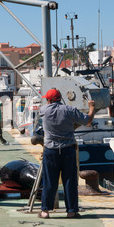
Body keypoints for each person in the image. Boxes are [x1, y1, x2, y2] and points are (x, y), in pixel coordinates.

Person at [38, 88, 95, 219]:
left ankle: (45, 211)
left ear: (48, 100)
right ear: (60, 98)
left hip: (50, 150)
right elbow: (88, 121)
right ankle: (71, 211)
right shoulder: (70, 110)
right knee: (69, 181)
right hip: (67, 149)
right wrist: (91, 107)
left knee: (49, 181)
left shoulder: (43, 110)